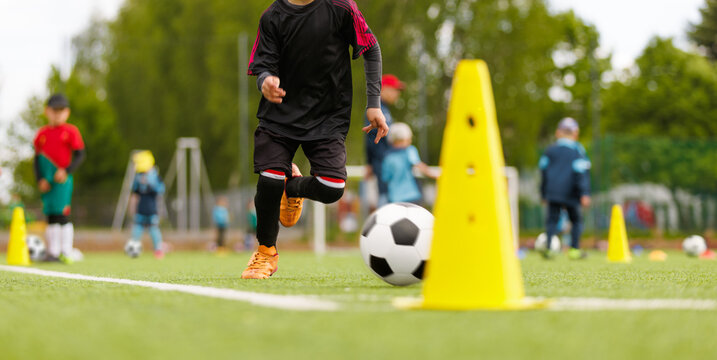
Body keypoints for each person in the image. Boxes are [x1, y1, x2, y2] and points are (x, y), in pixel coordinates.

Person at [244, 0, 388, 279]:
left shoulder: (341, 7)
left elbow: (371, 49)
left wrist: (374, 103)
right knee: (269, 178)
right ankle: (265, 253)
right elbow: (262, 64)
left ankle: (293, 188)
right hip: (280, 114)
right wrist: (266, 82)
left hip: (328, 116)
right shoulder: (272, 17)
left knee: (332, 187)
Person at [33, 94, 86, 264]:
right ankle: (53, 252)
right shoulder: (42, 134)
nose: (57, 114)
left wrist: (66, 171)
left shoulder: (71, 131)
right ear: (46, 111)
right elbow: (36, 159)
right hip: (47, 181)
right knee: (50, 215)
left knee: (62, 215)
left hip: (63, 180)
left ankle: (66, 251)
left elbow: (80, 155)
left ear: (67, 112)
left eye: (61, 111)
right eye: (54, 110)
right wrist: (40, 179)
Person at [539, 117, 591, 260]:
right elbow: (581, 173)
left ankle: (549, 248)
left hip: (553, 191)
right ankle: (574, 249)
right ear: (575, 133)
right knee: (576, 220)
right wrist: (584, 193)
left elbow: (543, 171)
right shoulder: (577, 150)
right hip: (571, 192)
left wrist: (543, 193)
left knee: (551, 220)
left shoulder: (550, 150)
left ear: (558, 133)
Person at [364, 74, 404, 208]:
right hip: (382, 164)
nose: (397, 94)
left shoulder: (384, 109)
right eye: (395, 90)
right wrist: (370, 162)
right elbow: (370, 139)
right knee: (386, 200)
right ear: (384, 89)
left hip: (386, 164)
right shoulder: (376, 110)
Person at [381, 123, 438, 205]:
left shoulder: (387, 157)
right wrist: (434, 174)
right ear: (400, 140)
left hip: (394, 197)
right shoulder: (409, 150)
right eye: (408, 139)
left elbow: (385, 177)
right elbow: (419, 165)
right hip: (411, 195)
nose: (410, 142)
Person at [129, 151, 166, 260]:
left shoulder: (156, 177)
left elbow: (160, 190)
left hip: (152, 209)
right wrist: (132, 208)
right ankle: (133, 251)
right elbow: (135, 192)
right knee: (136, 230)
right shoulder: (138, 177)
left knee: (154, 230)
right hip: (140, 209)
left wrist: (150, 184)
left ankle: (158, 250)